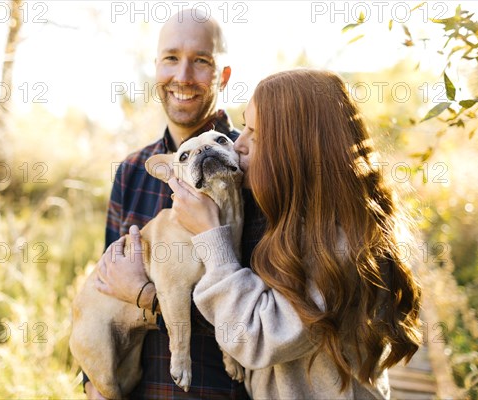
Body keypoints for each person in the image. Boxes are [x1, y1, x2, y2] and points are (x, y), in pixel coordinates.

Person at [101, 69, 423, 399]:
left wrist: (211, 237)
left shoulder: (340, 245)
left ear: (297, 150)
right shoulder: (291, 217)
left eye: (254, 134)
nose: (239, 143)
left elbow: (253, 335)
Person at [84, 8, 263, 400]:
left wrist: (146, 296)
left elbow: (268, 312)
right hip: (142, 388)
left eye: (201, 61)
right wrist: (94, 385)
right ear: (156, 70)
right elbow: (107, 286)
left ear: (224, 76)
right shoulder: (132, 171)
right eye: (171, 58)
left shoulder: (254, 163)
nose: (182, 76)